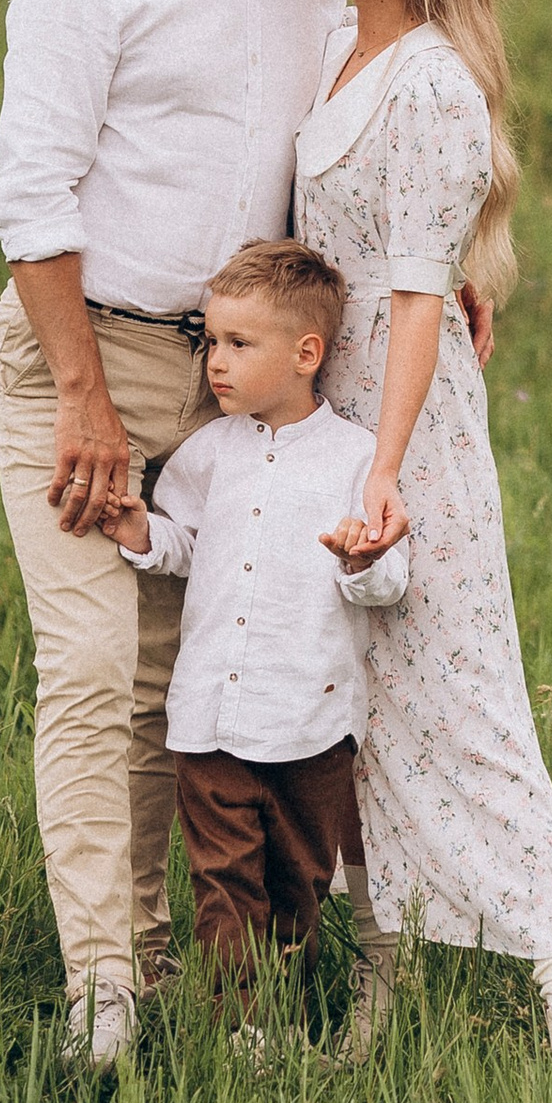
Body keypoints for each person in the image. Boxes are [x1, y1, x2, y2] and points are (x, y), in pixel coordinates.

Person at [0, 0, 340, 1068]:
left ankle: (245, 968)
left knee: (210, 683)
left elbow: (359, 159)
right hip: (86, 355)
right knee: (91, 673)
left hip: (237, 381)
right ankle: (107, 990)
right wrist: (82, 396)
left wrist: (454, 272)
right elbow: (30, 193)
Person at [302, 0, 552, 1083]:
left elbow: (419, 294)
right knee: (360, 722)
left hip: (406, 431)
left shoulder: (432, 85)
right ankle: (377, 1006)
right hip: (326, 419)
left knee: (467, 712)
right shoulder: (336, 47)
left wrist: (383, 468)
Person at [102, 238, 409, 1034]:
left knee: (296, 883)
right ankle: (241, 1033)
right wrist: (144, 533)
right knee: (224, 882)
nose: (217, 362)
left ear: (308, 353)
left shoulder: (355, 461)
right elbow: (188, 549)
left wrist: (359, 560)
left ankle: (287, 1011)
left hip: (309, 723)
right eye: (211, 341)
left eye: (240, 344)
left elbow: (388, 582)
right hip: (208, 718)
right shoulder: (208, 454)